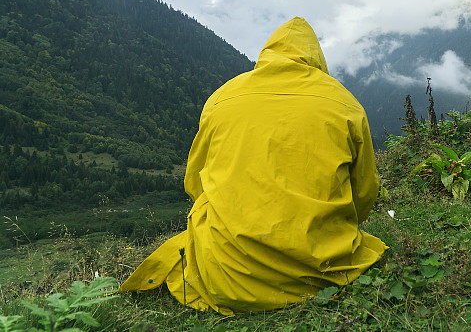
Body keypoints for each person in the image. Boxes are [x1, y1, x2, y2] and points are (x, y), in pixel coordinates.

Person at [120, 17, 387, 314]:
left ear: (268, 52)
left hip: (227, 276)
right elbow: (364, 191)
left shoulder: (223, 97)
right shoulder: (343, 102)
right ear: (316, 57)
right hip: (321, 268)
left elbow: (195, 181)